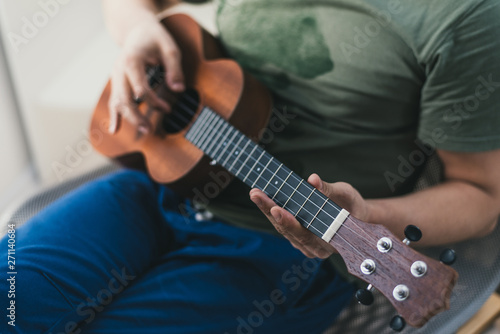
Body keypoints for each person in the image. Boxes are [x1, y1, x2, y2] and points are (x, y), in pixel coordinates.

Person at [2, 0, 500, 333]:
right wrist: (137, 32)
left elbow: (481, 194)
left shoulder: (469, 17)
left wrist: (371, 213)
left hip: (286, 255)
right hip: (154, 186)